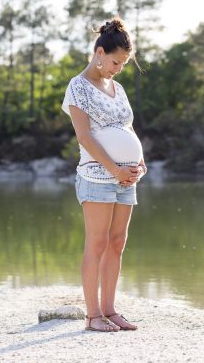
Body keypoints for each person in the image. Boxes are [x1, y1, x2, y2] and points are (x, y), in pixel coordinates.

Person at [61, 17, 146, 332]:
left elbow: (127, 127)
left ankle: (110, 310)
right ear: (99, 52)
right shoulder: (78, 86)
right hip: (97, 176)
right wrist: (115, 168)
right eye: (115, 61)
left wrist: (139, 162)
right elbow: (85, 137)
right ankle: (92, 315)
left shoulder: (118, 88)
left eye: (123, 63)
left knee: (117, 242)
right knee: (96, 243)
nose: (118, 68)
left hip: (126, 177)